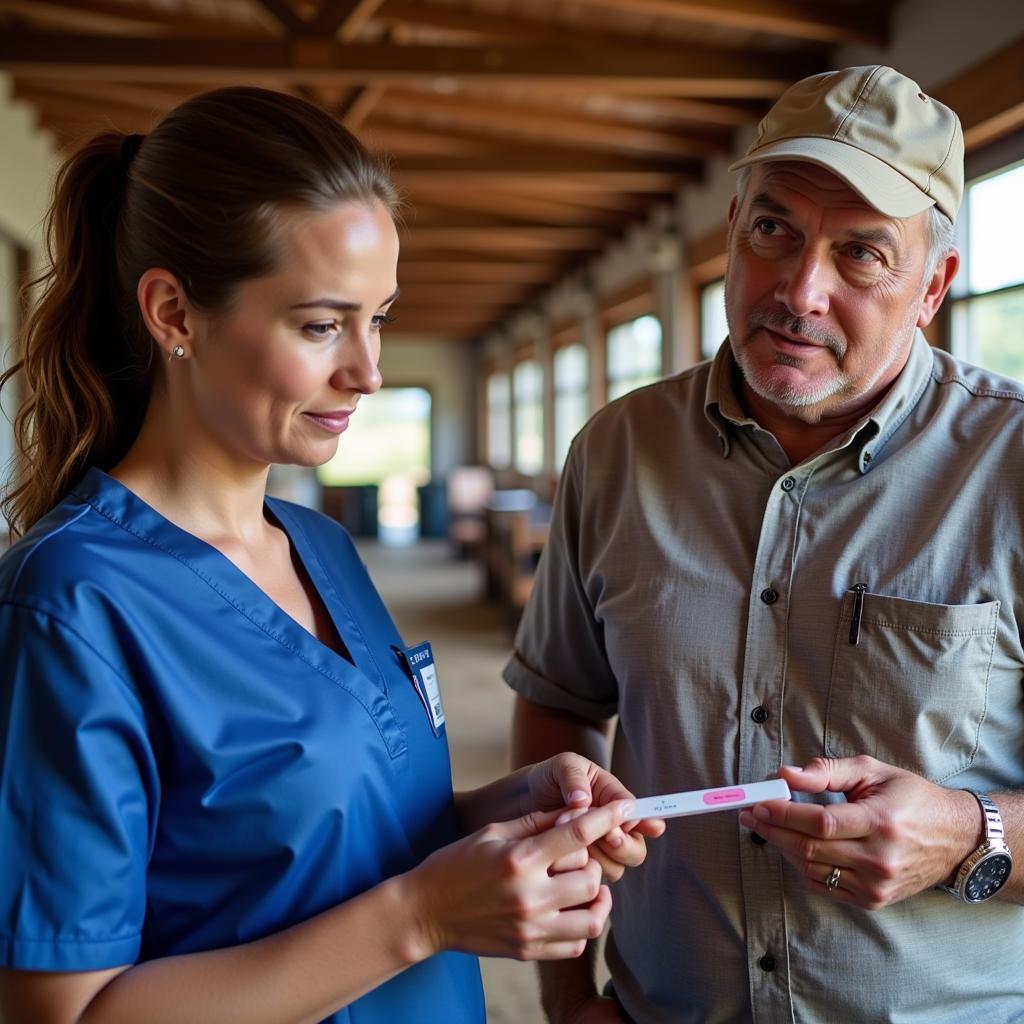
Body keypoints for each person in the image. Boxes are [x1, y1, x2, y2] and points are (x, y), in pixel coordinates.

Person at [0, 86, 658, 1024]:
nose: (370, 371)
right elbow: (64, 1012)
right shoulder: (72, 604)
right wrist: (426, 916)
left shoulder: (321, 548)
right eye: (321, 326)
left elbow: (316, 838)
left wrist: (494, 816)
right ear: (174, 313)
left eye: (378, 317)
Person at [506, 64, 1024, 1023]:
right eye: (773, 230)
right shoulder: (617, 451)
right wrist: (569, 998)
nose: (799, 290)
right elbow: (557, 706)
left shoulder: (1010, 463)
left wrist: (967, 831)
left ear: (933, 286)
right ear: (734, 224)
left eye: (863, 253)